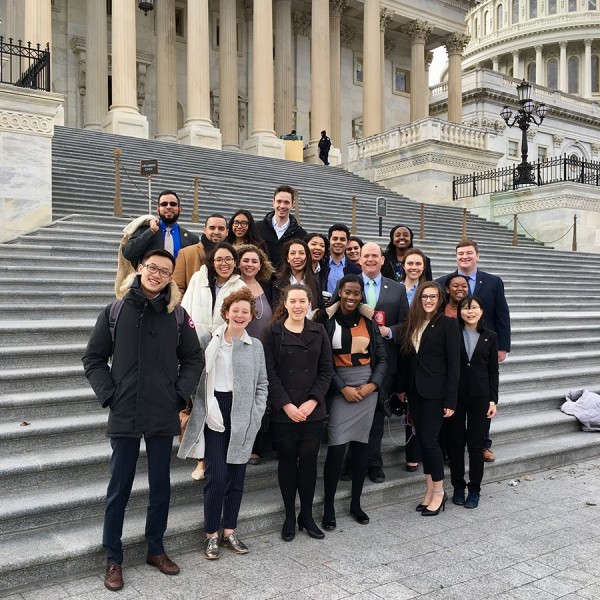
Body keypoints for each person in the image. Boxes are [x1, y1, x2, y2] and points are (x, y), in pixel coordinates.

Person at [82, 249, 204, 592]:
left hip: (163, 411)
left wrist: (179, 395)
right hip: (125, 410)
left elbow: (193, 358)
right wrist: (109, 394)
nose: (157, 274)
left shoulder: (177, 315)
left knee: (160, 487)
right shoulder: (115, 310)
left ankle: (156, 548)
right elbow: (93, 358)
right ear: (140, 268)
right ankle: (113, 558)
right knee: (118, 487)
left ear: (170, 277)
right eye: (152, 267)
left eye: (165, 271)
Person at [178, 288, 268, 560]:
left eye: (245, 311)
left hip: (242, 413)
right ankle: (211, 536)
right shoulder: (208, 339)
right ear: (226, 312)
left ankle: (229, 531)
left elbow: (262, 384)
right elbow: (194, 375)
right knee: (216, 477)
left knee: (236, 478)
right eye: (235, 310)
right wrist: (204, 404)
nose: (240, 315)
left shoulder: (256, 346)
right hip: (214, 411)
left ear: (251, 316)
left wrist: (256, 412)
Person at [313, 275, 387, 530]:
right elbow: (323, 360)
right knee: (336, 450)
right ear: (339, 292)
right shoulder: (326, 319)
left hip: (367, 389)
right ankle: (329, 507)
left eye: (356, 293)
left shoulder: (369, 321)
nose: (352, 297)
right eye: (347, 292)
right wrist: (342, 387)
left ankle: (356, 503)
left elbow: (382, 358)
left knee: (361, 451)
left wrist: (372, 385)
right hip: (339, 390)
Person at [263, 284, 333, 542]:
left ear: (309, 303)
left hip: (312, 410)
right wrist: (287, 405)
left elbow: (327, 370)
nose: (298, 305)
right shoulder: (273, 332)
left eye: (302, 301)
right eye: (293, 301)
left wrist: (313, 401)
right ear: (286, 303)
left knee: (308, 462)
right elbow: (269, 374)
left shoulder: (319, 331)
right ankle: (290, 517)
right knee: (287, 463)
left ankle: (307, 515)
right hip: (285, 411)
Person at [437, 239, 510, 463]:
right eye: (460, 253)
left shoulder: (493, 282)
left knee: (484, 397)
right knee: (454, 399)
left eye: (469, 253)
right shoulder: (443, 282)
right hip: (454, 352)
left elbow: (501, 313)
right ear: (456, 256)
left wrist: (503, 347)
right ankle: (452, 446)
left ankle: (482, 444)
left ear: (477, 255)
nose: (465, 257)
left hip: (483, 349)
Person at [182, 242, 246, 480]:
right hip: (196, 348)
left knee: (217, 405)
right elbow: (185, 309)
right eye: (219, 259)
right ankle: (201, 459)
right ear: (212, 261)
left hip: (223, 350)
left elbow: (240, 316)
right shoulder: (198, 279)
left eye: (229, 259)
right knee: (199, 402)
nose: (224, 263)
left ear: (235, 262)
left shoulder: (240, 285)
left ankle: (216, 457)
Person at [397, 281, 460, 517]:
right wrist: (403, 388)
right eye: (425, 296)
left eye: (433, 296)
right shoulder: (413, 323)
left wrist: (451, 400)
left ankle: (440, 492)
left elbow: (454, 366)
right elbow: (408, 359)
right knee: (423, 441)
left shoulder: (448, 324)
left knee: (430, 441)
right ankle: (428, 491)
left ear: (440, 299)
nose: (429, 300)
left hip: (436, 393)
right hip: (415, 392)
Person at [355, 242, 409, 484]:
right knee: (354, 413)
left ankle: (374, 463)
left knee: (377, 415)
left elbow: (406, 324)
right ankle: (352, 461)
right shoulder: (348, 284)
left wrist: (388, 331)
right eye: (366, 256)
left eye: (374, 256)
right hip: (354, 361)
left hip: (385, 361)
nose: (370, 260)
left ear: (382, 259)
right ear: (360, 259)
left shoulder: (397, 289)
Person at [447, 296, 499, 510]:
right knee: (456, 444)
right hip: (456, 395)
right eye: (466, 308)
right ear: (460, 311)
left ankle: (474, 489)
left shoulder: (490, 336)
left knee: (476, 445)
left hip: (480, 396)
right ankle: (458, 486)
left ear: (481, 311)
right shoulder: (452, 333)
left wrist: (493, 400)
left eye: (474, 308)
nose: (470, 312)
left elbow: (493, 370)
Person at [237, 244, 275, 466]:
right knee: (242, 400)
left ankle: (258, 444)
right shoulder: (234, 285)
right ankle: (242, 445)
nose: (250, 264)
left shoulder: (267, 286)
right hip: (240, 348)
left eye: (254, 261)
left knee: (261, 399)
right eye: (246, 260)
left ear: (261, 265)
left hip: (264, 350)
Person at [122, 190, 200, 268]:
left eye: (173, 204)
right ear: (158, 209)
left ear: (180, 209)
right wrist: (151, 231)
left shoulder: (192, 239)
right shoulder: (145, 230)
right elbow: (128, 254)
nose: (169, 207)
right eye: (164, 204)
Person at [173, 213, 228, 295]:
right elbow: (176, 287)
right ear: (205, 230)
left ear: (227, 232)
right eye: (212, 228)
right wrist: (185, 307)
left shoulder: (234, 255)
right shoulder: (186, 253)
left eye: (221, 228)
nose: (216, 232)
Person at [255, 185, 308, 269]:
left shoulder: (301, 234)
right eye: (279, 201)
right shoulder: (257, 228)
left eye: (286, 202)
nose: (282, 206)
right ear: (273, 202)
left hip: (286, 281)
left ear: (293, 204)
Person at [272, 239, 321, 310]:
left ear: (307, 257)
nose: (297, 257)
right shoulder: (277, 282)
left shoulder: (315, 281)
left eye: (301, 253)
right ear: (288, 258)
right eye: (293, 253)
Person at [323, 223, 362, 295]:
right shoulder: (320, 266)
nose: (338, 242)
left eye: (342, 239)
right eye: (335, 239)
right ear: (329, 241)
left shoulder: (356, 270)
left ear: (348, 243)